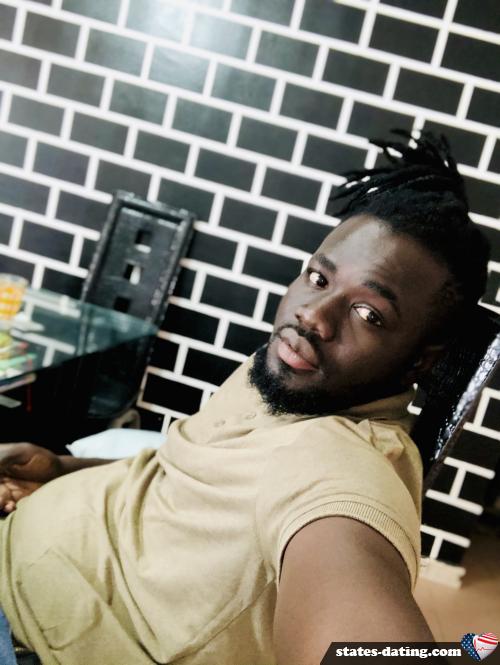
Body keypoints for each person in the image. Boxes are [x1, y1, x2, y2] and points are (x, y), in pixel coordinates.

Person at [0, 132, 490, 665]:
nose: (313, 315)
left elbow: (346, 564)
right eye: (318, 277)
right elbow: (186, 478)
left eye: (369, 314)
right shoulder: (290, 373)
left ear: (420, 361)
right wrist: (61, 469)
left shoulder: (342, 466)